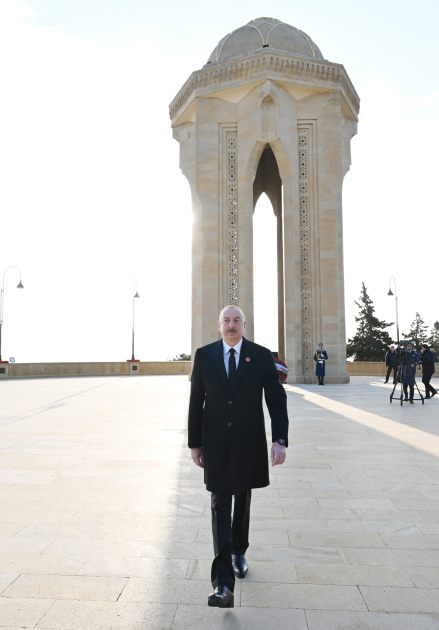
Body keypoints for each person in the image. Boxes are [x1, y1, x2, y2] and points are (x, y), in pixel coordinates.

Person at [188, 305, 289, 609]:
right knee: (220, 504)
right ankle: (222, 586)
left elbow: (275, 397)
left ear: (245, 324)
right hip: (215, 443)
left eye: (236, 321)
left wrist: (280, 440)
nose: (231, 325)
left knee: (242, 499)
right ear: (218, 325)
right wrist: (195, 443)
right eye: (226, 321)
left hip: (248, 442)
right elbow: (196, 401)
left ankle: (238, 550)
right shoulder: (204, 355)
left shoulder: (260, 356)